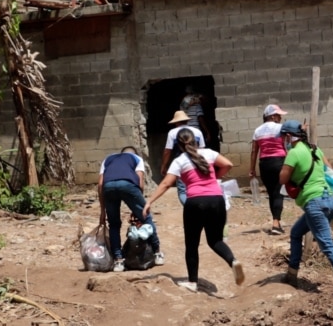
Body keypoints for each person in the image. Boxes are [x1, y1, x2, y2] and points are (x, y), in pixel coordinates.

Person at [143, 128, 245, 292]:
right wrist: (215, 176)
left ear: (179, 145)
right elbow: (228, 164)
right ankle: (232, 261)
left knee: (192, 245)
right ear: (196, 140)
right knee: (215, 240)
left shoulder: (179, 160)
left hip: (196, 203)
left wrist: (149, 201)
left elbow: (166, 183)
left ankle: (192, 281)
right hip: (217, 200)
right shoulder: (210, 153)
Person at [278, 120, 333, 293]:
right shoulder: (315, 149)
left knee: (326, 243)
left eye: (284, 137)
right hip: (328, 200)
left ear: (289, 136)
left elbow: (282, 179)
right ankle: (292, 274)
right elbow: (328, 170)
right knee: (296, 233)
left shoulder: (294, 153)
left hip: (314, 203)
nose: (284, 140)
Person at [98, 146, 164, 272]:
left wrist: (102, 211)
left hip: (108, 187)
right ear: (134, 153)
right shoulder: (136, 158)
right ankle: (157, 253)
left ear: (121, 153)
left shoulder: (108, 159)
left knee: (114, 224)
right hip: (128, 185)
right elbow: (140, 181)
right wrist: (138, 208)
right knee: (146, 217)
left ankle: (118, 261)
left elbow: (100, 184)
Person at [250, 104, 288, 234]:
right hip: (279, 162)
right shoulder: (281, 128)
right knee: (279, 192)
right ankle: (276, 224)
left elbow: (254, 151)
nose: (280, 118)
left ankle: (275, 220)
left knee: (272, 193)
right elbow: (287, 145)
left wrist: (252, 169)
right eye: (279, 115)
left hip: (264, 164)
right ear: (272, 116)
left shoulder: (257, 131)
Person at [162, 110, 206, 205]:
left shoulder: (172, 133)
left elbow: (167, 151)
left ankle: (190, 208)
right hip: (197, 163)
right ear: (187, 121)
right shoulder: (197, 131)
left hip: (181, 164)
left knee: (182, 190)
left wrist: (164, 166)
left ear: (176, 122)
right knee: (197, 186)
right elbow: (202, 149)